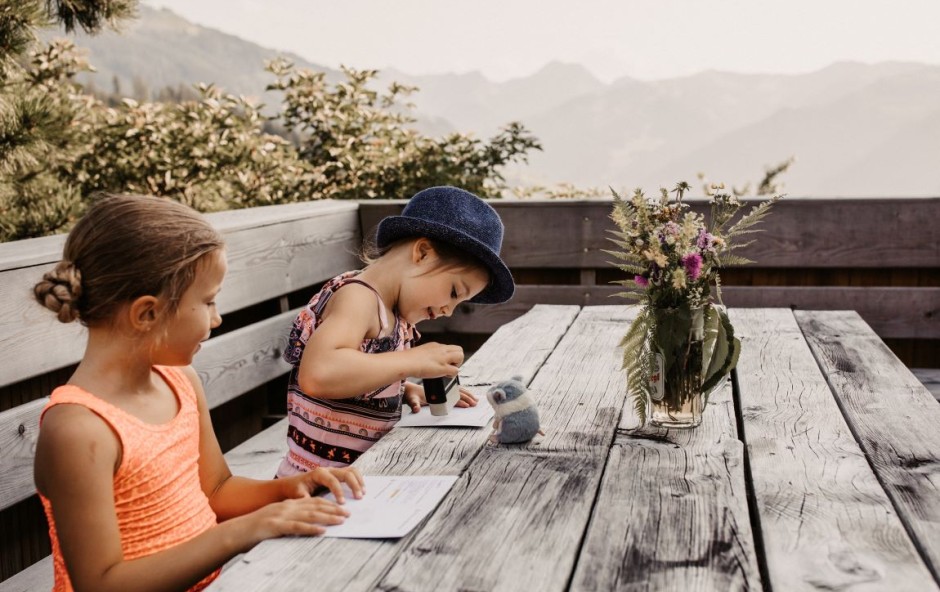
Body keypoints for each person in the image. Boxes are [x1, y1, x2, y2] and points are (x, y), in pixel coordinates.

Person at [32, 195, 364, 592]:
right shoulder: (79, 429)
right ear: (147, 313)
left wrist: (287, 490)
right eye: (208, 302)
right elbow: (101, 584)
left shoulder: (180, 381)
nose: (217, 317)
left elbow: (218, 490)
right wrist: (242, 531)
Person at [276, 186, 515, 477]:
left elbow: (355, 376)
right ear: (423, 253)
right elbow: (319, 374)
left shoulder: (395, 315)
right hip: (312, 485)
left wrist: (402, 390)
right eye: (454, 292)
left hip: (358, 476)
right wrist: (412, 361)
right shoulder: (359, 298)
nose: (448, 310)